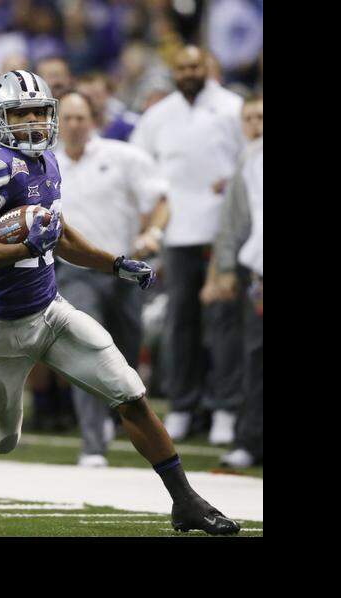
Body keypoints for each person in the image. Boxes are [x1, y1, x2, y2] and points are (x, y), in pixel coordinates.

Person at [0, 70, 239, 535]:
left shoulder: (48, 164)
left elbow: (59, 234)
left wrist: (115, 263)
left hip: (51, 311)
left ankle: (186, 501)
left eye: (39, 112)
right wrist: (23, 248)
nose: (33, 122)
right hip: (1, 329)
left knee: (132, 394)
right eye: (21, 113)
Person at [129, 45, 244, 444]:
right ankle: (182, 404)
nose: (190, 72)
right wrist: (148, 223)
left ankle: (224, 407)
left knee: (224, 324)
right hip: (176, 232)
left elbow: (254, 158)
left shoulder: (232, 108)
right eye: (183, 67)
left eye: (196, 65)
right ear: (174, 71)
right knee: (180, 322)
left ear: (208, 67)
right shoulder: (159, 116)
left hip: (221, 232)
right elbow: (139, 165)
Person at [56, 91, 168, 466]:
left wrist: (154, 233)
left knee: (127, 353)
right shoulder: (44, 164)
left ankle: (110, 418)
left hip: (124, 268)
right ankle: (92, 443)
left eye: (80, 117)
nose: (74, 125)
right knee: (88, 349)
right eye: (67, 118)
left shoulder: (123, 156)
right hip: (76, 273)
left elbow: (160, 199)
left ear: (93, 119)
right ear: (58, 122)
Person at [206, 95, 262, 467]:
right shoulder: (250, 159)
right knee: (256, 358)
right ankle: (251, 440)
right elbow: (236, 219)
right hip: (260, 272)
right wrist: (226, 267)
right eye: (251, 118)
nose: (257, 124)